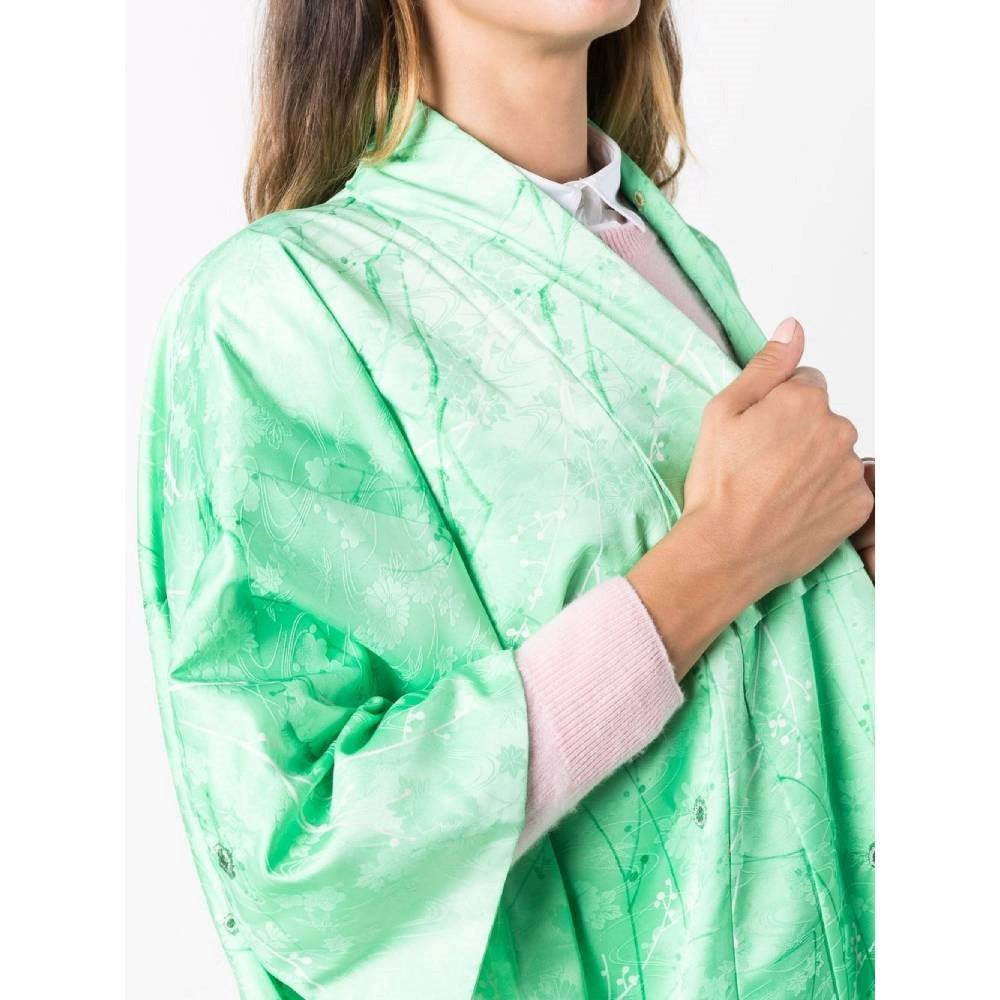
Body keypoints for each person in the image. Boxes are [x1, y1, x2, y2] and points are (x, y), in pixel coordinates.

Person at [138, 1, 875, 997]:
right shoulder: (280, 307)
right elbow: (302, 858)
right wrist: (720, 559)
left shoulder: (674, 259)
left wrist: (841, 577)